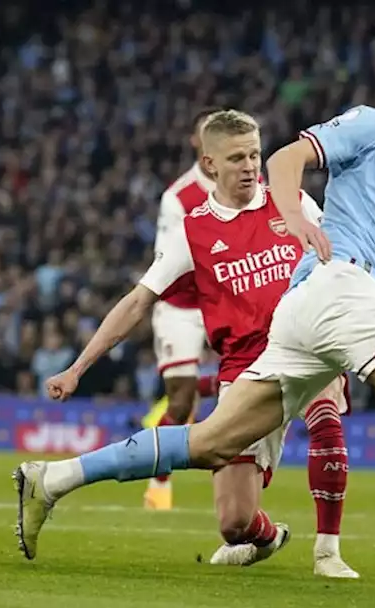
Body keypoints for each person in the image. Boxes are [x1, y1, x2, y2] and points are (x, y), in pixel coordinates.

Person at [14, 47, 375, 583]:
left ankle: (54, 478)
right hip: (339, 286)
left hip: (305, 312)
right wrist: (295, 216)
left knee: (212, 442)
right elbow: (290, 157)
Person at [35, 110, 358, 578]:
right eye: (236, 158)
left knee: (326, 414)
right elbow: (136, 303)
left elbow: (339, 259)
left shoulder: (294, 203)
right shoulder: (193, 231)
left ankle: (328, 551)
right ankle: (268, 535)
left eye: (254, 154)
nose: (250, 166)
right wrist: (77, 368)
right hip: (246, 368)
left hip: (307, 346)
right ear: (209, 164)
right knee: (233, 523)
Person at [144, 107, 225, 511]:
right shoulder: (178, 198)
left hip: (230, 299)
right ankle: (158, 484)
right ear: (197, 143)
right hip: (181, 306)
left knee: (251, 385)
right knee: (181, 404)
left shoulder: (252, 185)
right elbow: (169, 261)